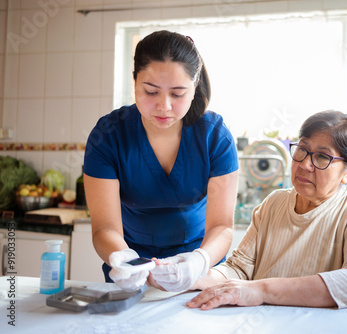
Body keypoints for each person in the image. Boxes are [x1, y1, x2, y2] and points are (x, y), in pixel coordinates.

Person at [180, 110, 347, 310]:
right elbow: (239, 269)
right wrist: (191, 277)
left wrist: (261, 290)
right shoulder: (274, 203)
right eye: (302, 149)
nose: (305, 164)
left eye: (323, 157)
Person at [84, 30, 239, 292]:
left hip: (199, 269)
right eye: (151, 91)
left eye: (178, 93)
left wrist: (199, 261)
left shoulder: (215, 136)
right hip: (132, 266)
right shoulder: (108, 135)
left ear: (194, 86)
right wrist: (125, 260)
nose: (164, 106)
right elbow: (104, 228)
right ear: (134, 81)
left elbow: (222, 227)